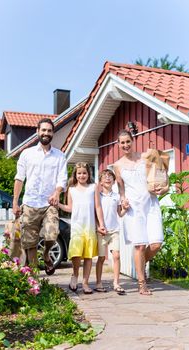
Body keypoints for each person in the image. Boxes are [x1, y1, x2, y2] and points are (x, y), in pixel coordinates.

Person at [114, 130, 168, 295]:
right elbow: (121, 189)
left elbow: (164, 180)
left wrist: (164, 188)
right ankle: (142, 283)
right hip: (134, 208)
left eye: (128, 141)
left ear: (133, 140)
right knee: (139, 245)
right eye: (122, 143)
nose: (125, 145)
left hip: (151, 203)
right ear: (118, 144)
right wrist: (122, 199)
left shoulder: (147, 157)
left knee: (156, 244)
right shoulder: (117, 165)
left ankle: (141, 260)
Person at [13, 118, 67, 273]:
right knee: (29, 242)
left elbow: (62, 178)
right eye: (43, 130)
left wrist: (57, 192)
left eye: (49, 131)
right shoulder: (27, 154)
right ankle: (34, 277)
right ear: (37, 131)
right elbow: (19, 178)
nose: (46, 133)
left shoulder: (59, 156)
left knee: (52, 234)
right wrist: (15, 202)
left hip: (49, 203)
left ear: (53, 133)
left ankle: (46, 254)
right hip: (30, 203)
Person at [58, 162, 106, 294]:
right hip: (77, 226)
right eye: (79, 173)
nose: (82, 175)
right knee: (76, 254)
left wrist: (101, 224)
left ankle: (85, 283)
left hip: (90, 226)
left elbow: (98, 207)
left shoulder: (93, 187)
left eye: (84, 173)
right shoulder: (71, 189)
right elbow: (70, 208)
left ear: (88, 174)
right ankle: (75, 275)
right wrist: (59, 204)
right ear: (75, 174)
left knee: (88, 256)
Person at [95, 169, 129, 295]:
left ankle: (116, 282)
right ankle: (98, 282)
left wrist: (125, 209)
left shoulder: (116, 196)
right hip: (102, 232)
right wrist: (99, 226)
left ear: (114, 181)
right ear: (101, 182)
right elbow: (95, 213)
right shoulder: (98, 196)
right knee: (101, 258)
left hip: (114, 230)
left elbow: (120, 214)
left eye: (110, 177)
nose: (108, 178)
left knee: (116, 256)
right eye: (105, 177)